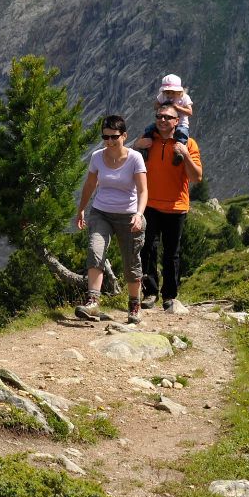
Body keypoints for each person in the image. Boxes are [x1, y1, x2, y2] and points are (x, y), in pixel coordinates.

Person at [75, 114, 148, 323]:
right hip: (101, 212)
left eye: (113, 137)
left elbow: (143, 191)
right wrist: (81, 209)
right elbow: (90, 185)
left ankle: (134, 304)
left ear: (124, 136)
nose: (109, 142)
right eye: (105, 137)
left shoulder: (135, 158)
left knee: (131, 262)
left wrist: (139, 214)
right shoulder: (97, 157)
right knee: (95, 250)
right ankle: (93, 303)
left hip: (129, 215)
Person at [139, 105, 203, 310]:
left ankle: (169, 296)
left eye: (168, 117)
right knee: (147, 249)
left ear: (177, 121)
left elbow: (196, 177)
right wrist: (134, 144)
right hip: (149, 204)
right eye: (159, 116)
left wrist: (184, 154)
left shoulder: (188, 144)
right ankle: (150, 293)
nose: (163, 120)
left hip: (176, 207)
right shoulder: (148, 142)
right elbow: (127, 159)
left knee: (171, 253)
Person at [140, 73, 195, 145]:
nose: (169, 95)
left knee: (182, 133)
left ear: (178, 92)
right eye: (167, 92)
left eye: (172, 92)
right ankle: (146, 146)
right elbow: (155, 106)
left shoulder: (184, 98)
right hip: (165, 122)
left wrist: (177, 108)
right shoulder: (162, 96)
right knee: (149, 129)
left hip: (181, 123)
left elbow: (190, 112)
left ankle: (180, 152)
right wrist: (165, 105)